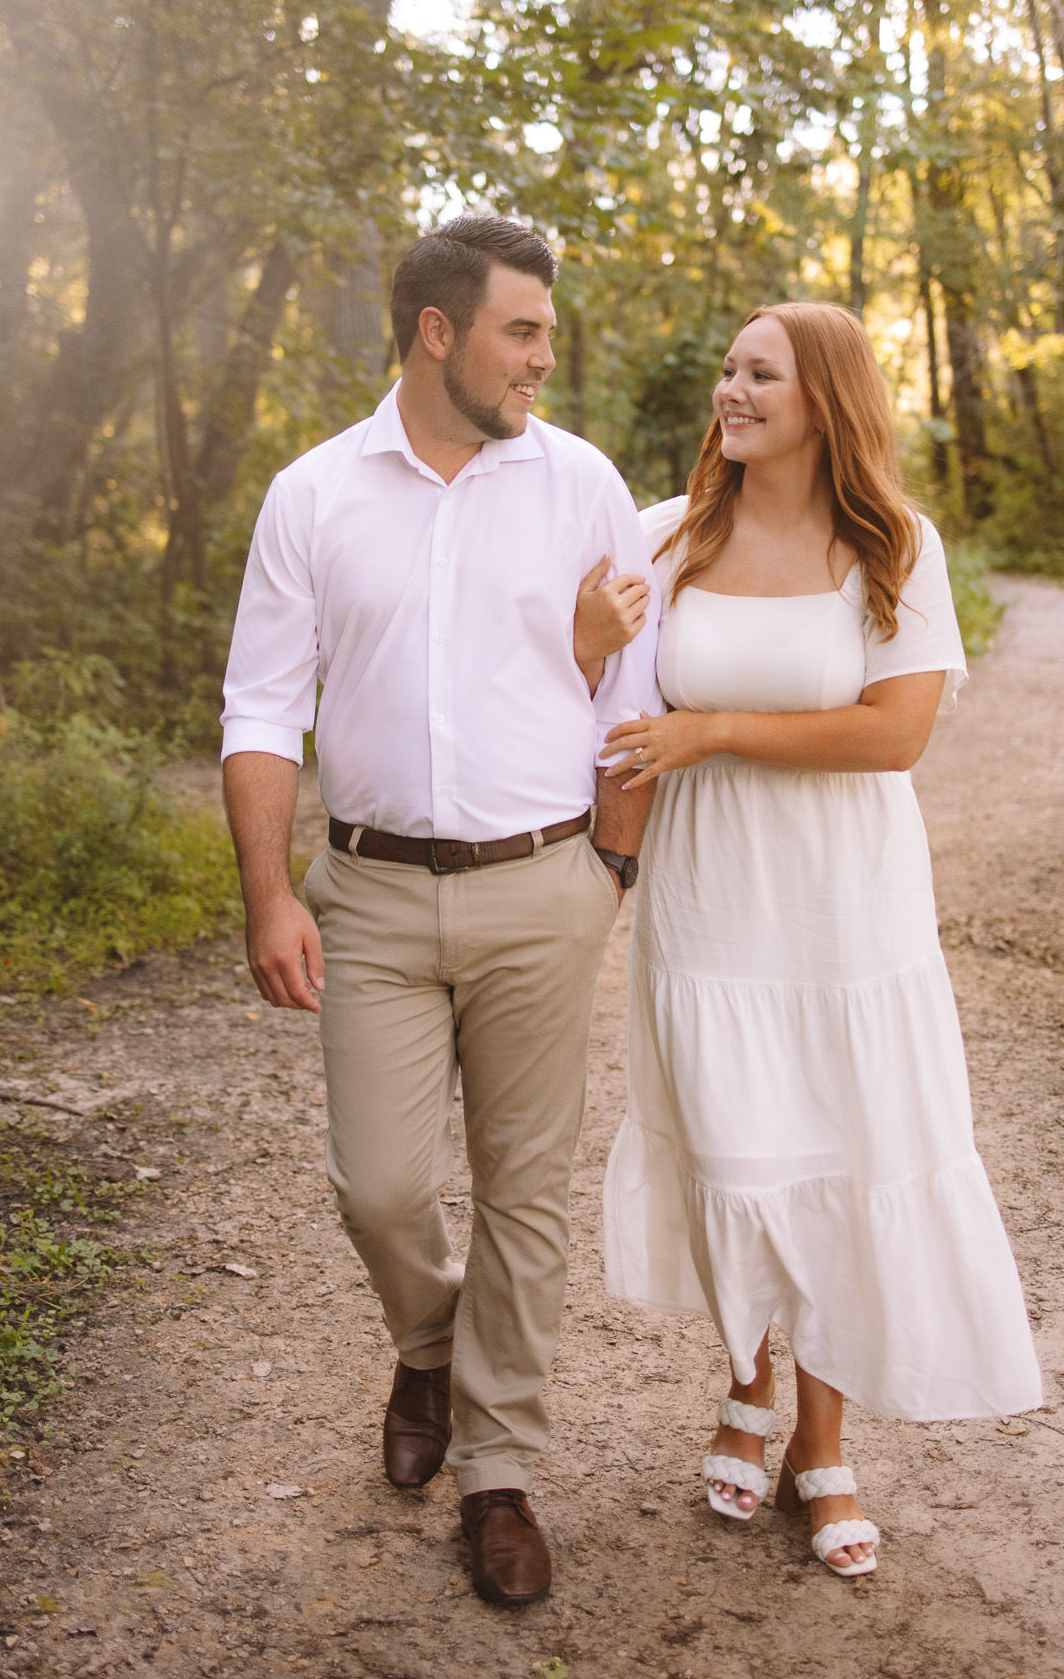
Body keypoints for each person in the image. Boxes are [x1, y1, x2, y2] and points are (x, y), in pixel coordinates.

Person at [219, 214, 659, 1607]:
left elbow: (627, 695)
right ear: (435, 333)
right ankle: (428, 1347)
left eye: (543, 330)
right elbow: (260, 706)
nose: (543, 355)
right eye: (520, 329)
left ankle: (499, 1469)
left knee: (526, 1197)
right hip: (377, 897)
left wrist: (610, 873)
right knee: (385, 1188)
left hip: (544, 890)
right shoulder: (314, 496)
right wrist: (270, 891)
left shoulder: (583, 483)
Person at [597, 301, 1042, 1579]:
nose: (730, 389)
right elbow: (590, 682)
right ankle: (746, 1382)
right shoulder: (665, 535)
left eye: (759, 372)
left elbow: (896, 732)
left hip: (846, 896)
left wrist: (714, 727)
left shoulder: (893, 543)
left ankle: (822, 1437)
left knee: (846, 1144)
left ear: (825, 398)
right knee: (735, 1138)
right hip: (710, 886)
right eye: (728, 367)